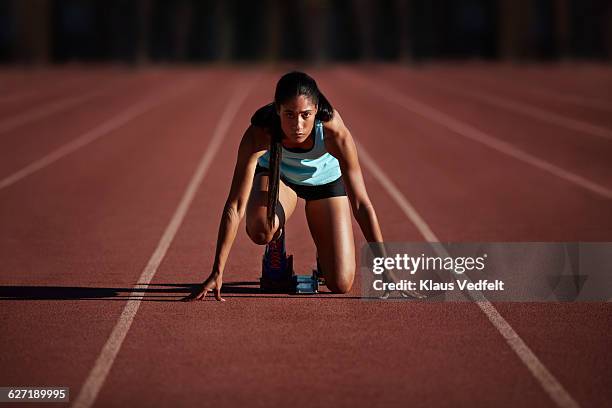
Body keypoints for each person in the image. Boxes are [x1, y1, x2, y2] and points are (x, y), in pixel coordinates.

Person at [188, 71, 386, 301]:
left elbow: (361, 204)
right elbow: (236, 205)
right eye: (289, 115)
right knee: (261, 229)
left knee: (341, 283)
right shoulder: (259, 133)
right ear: (277, 110)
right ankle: (276, 241)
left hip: (325, 183)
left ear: (316, 112)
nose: (298, 125)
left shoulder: (334, 132)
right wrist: (217, 270)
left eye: (306, 115)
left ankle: (325, 255)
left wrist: (386, 271)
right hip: (278, 179)